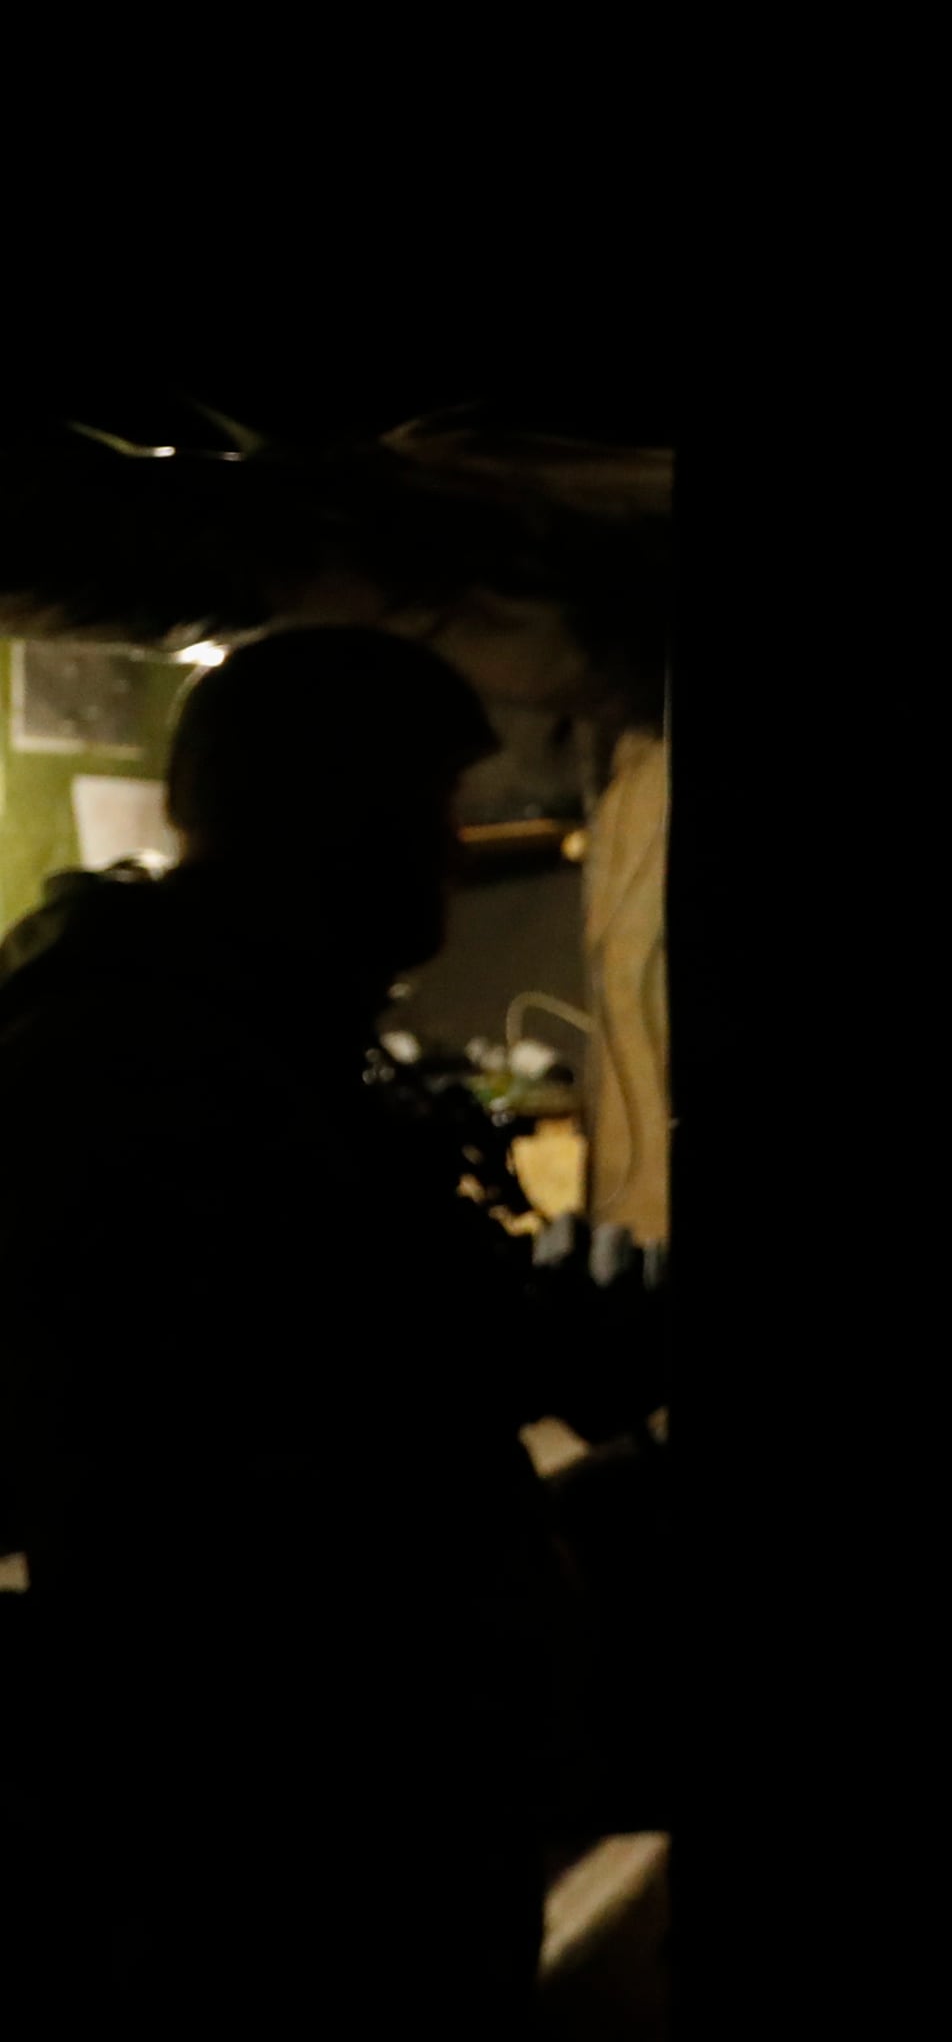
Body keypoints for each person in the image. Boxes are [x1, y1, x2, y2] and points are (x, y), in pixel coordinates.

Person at [0, 627, 545, 2031]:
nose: (454, 850)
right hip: (275, 1807)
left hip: (323, 1791)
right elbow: (298, 1422)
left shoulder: (223, 1031)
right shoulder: (157, 1058)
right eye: (424, 809)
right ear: (331, 818)